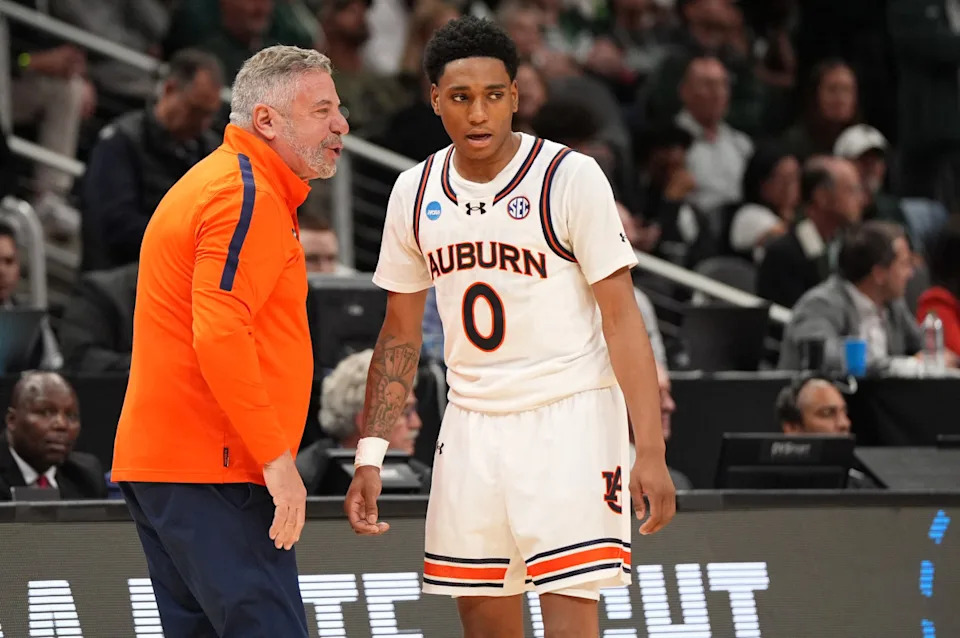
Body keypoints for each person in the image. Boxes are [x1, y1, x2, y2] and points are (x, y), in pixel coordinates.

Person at [344, 16, 675, 637]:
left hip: (569, 415)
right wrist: (371, 452)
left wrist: (649, 450)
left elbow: (623, 320)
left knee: (571, 622)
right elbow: (398, 335)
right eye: (461, 98)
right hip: (471, 425)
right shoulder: (413, 193)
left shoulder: (570, 178)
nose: (478, 114)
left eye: (494, 96)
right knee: (485, 622)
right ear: (434, 99)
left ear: (516, 98)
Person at [110, 45, 349, 637]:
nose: (341, 125)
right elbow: (219, 330)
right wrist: (275, 458)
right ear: (267, 120)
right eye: (322, 110)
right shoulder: (246, 194)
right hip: (214, 466)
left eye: (338, 109)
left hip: (175, 464)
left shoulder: (223, 183)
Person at [779, 221, 923, 375]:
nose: (910, 274)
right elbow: (823, 357)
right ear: (879, 273)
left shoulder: (893, 304)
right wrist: (900, 366)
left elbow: (923, 348)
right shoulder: (820, 304)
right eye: (904, 264)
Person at [0, 371, 107, 500]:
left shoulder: (86, 476)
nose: (62, 425)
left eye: (71, 416)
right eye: (45, 413)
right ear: (12, 420)